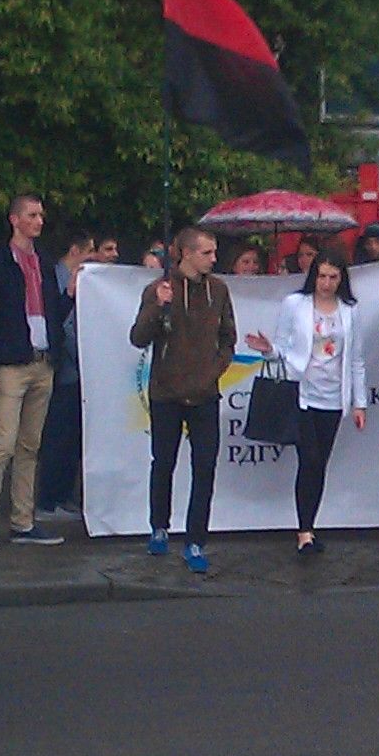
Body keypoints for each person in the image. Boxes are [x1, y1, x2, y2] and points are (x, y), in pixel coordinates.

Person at [130, 225, 236, 574]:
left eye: (214, 252)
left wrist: (215, 368)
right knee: (164, 462)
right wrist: (157, 307)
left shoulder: (218, 290)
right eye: (206, 252)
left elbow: (228, 337)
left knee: (205, 468)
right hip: (166, 392)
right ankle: (159, 526)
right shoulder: (160, 288)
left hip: (205, 393)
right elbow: (138, 337)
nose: (213, 258)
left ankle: (195, 540)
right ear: (186, 253)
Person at [0, 195, 65, 550]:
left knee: (30, 444)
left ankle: (22, 521)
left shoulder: (43, 262)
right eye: (32, 215)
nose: (39, 221)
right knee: (5, 443)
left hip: (41, 360)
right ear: (15, 220)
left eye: (41, 215)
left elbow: (53, 310)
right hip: (11, 364)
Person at [274, 251, 372, 554]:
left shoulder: (349, 311)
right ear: (313, 276)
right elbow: (281, 346)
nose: (326, 283)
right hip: (303, 394)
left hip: (334, 397)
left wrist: (359, 403)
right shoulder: (295, 304)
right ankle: (304, 531)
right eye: (322, 276)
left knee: (319, 466)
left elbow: (355, 359)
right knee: (310, 459)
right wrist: (267, 350)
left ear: (341, 279)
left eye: (333, 277)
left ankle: (309, 526)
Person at [37, 231, 93, 520]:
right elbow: (66, 325)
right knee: (59, 435)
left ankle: (61, 496)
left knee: (70, 436)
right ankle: (49, 500)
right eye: (90, 251)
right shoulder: (59, 278)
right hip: (66, 369)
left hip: (72, 369)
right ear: (75, 250)